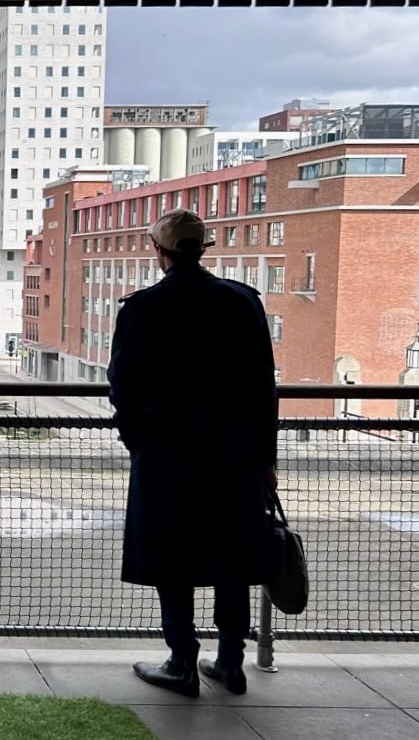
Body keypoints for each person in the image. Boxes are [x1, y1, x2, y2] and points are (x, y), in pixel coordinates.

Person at [107, 209, 279, 698]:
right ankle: (231, 661)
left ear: (158, 251)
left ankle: (182, 660)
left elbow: (123, 386)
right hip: (235, 456)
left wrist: (139, 442)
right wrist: (265, 458)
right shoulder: (243, 302)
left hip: (168, 456)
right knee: (232, 558)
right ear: (202, 249)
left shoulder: (143, 308)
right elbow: (263, 389)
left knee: (172, 555)